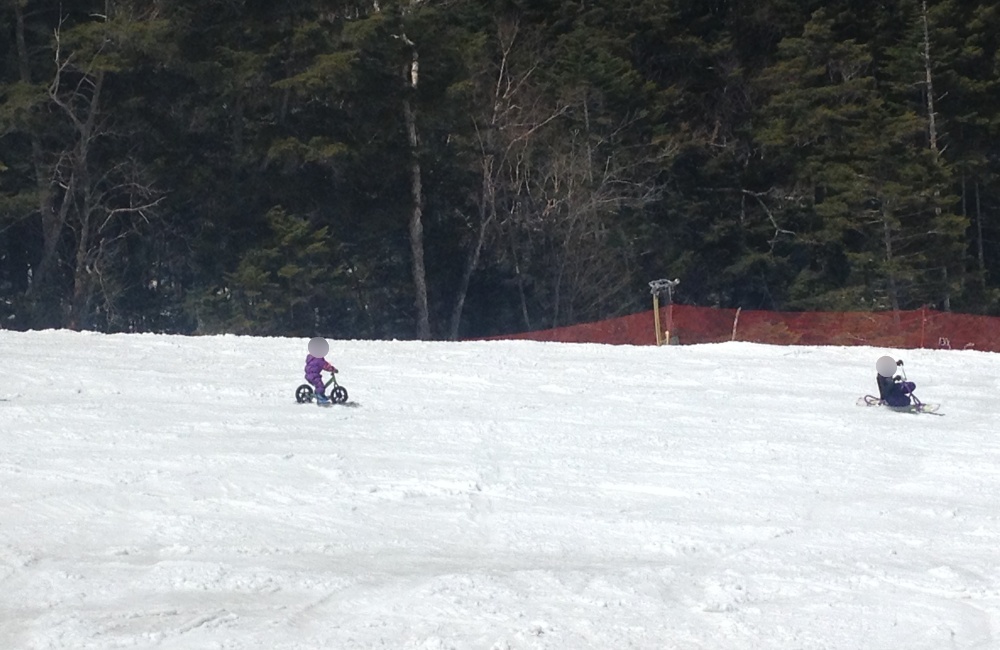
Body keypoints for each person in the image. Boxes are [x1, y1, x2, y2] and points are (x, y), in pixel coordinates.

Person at [305, 337, 338, 405]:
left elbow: (324, 363)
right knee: (320, 386)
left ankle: (320, 395)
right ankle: (320, 398)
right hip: (313, 375)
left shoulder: (312, 357)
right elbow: (325, 365)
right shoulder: (318, 359)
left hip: (309, 375)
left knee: (319, 385)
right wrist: (332, 369)